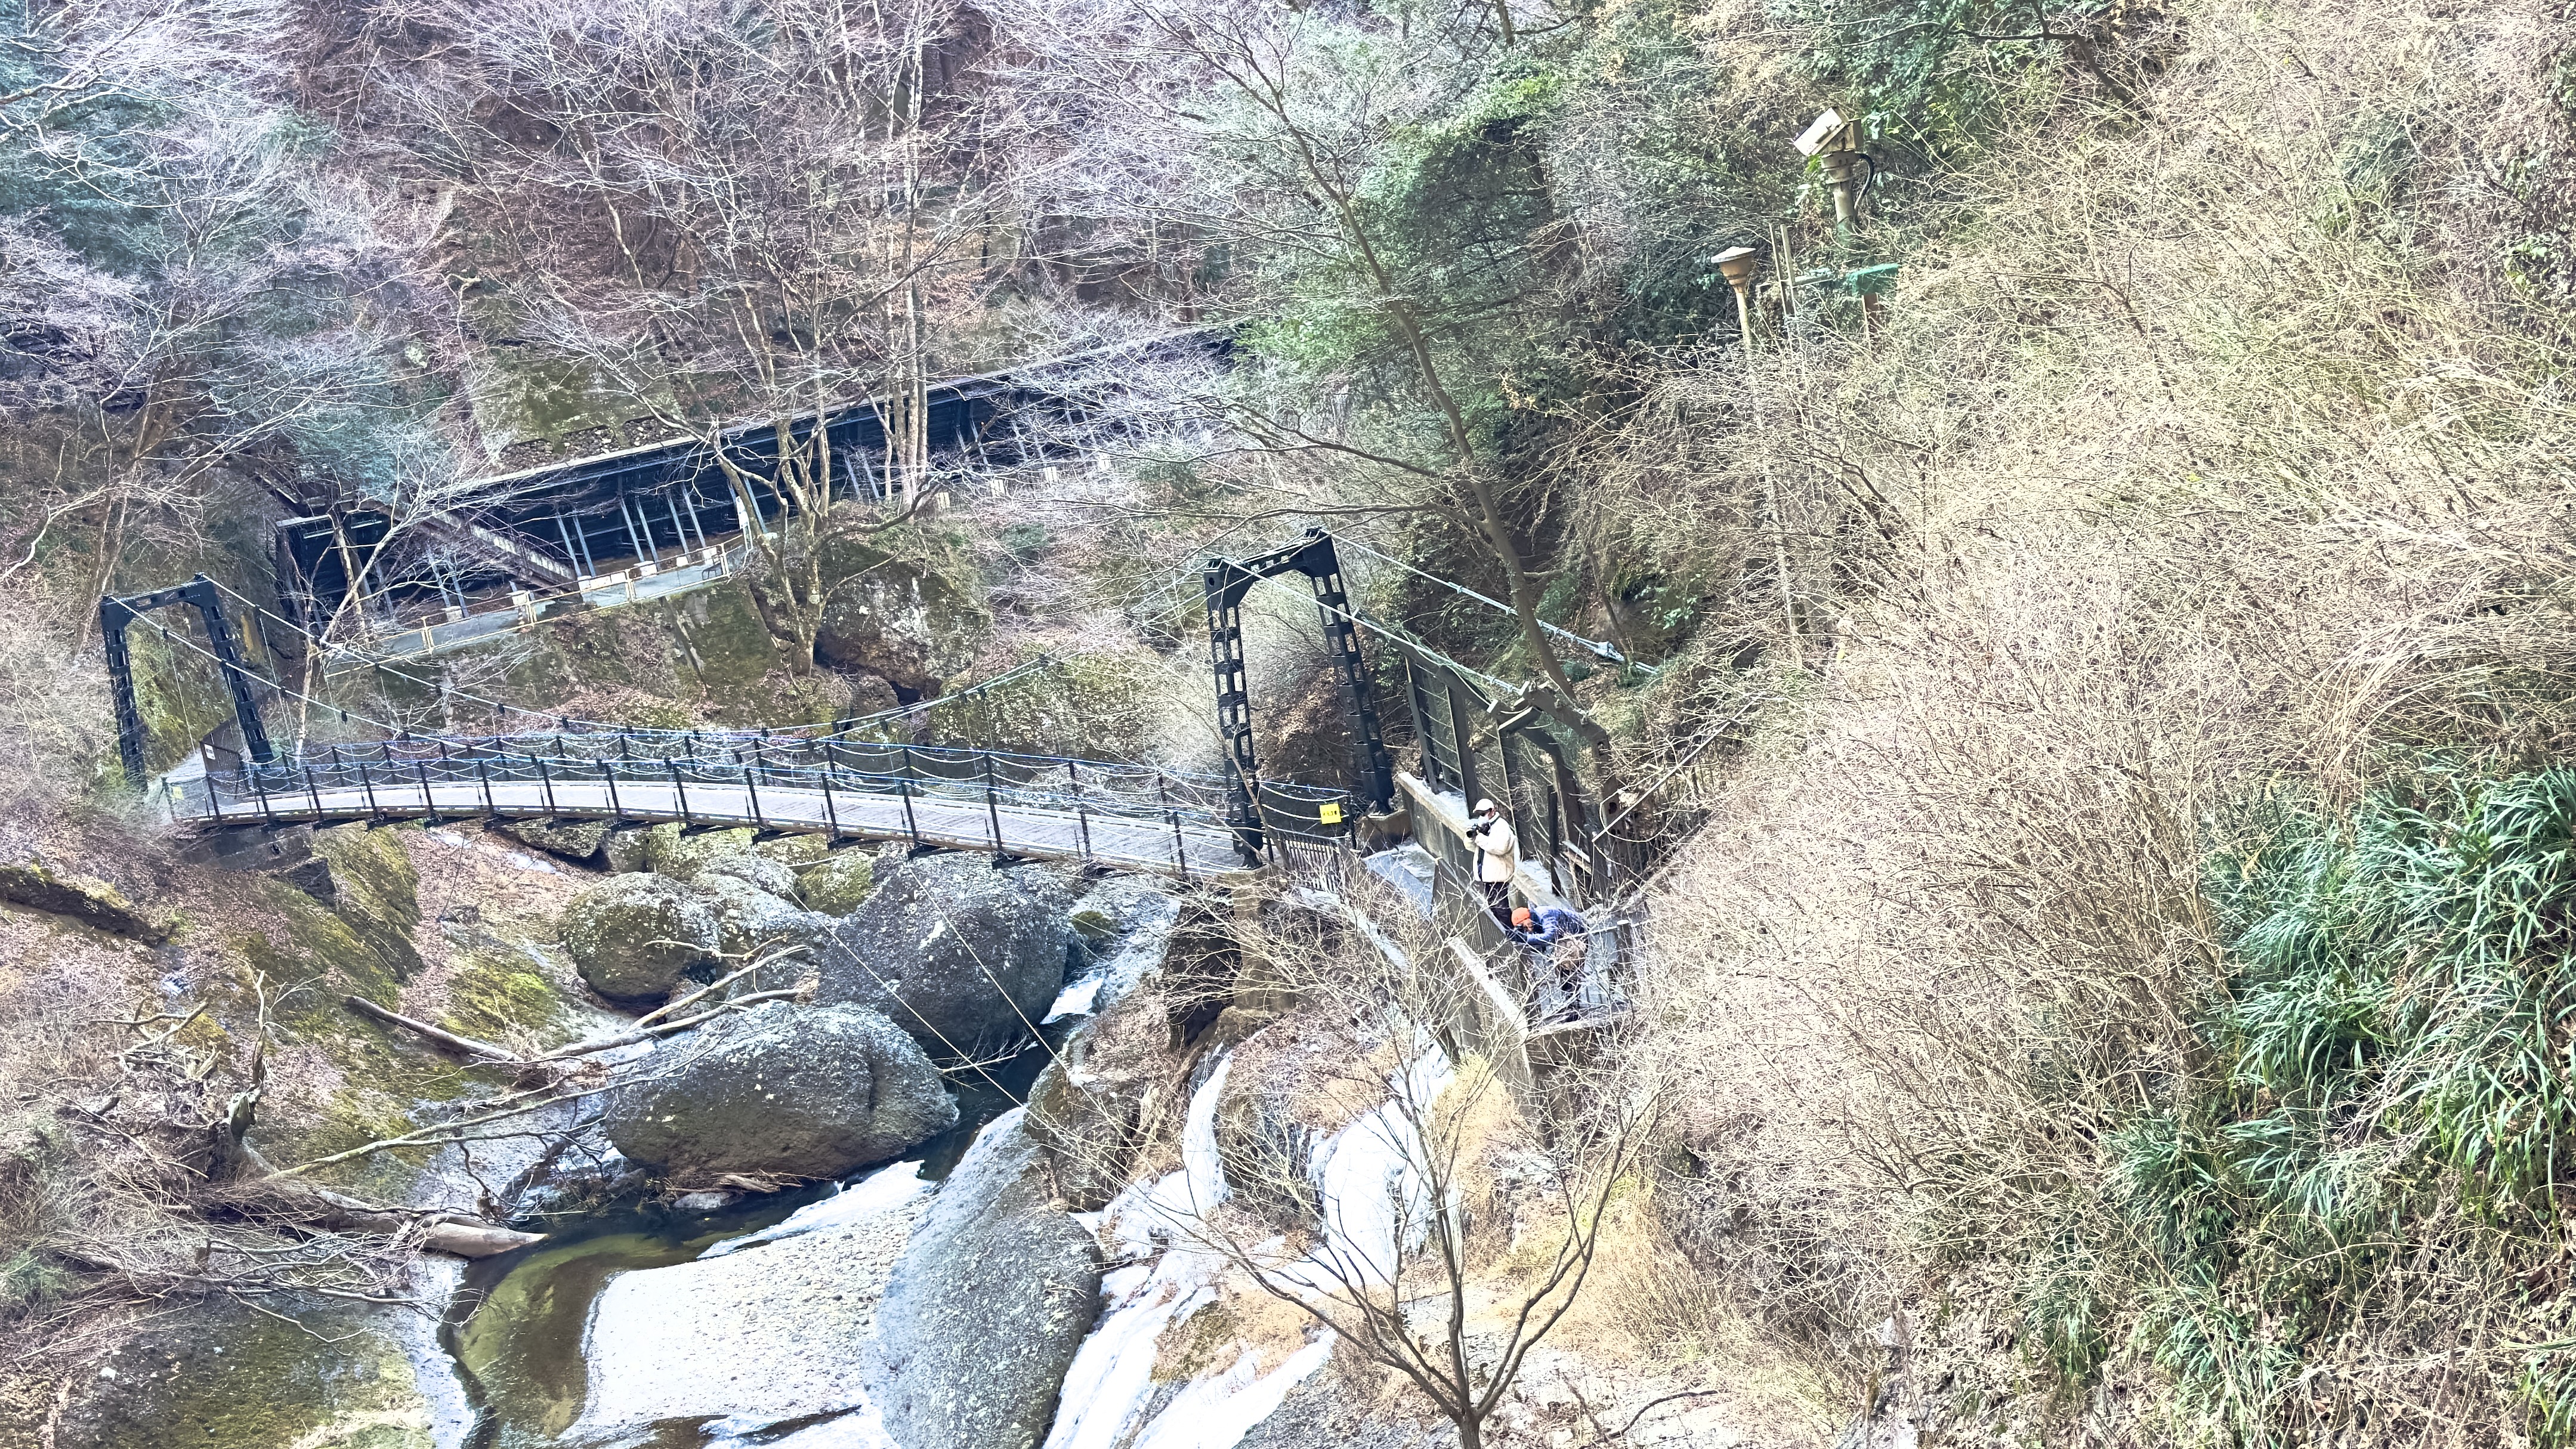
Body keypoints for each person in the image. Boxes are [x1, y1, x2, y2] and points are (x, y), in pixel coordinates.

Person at [1512, 904, 1590, 1019]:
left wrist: (1526, 939)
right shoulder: (1533, 921)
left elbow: (1549, 936)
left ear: (1528, 918)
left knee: (1571, 972)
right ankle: (1570, 1007)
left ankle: (1574, 1009)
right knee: (1562, 975)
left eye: (1526, 926)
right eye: (1524, 929)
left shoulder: (1545, 914)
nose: (1528, 930)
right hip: (1563, 938)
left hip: (1576, 935)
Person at [1466, 798, 1516, 926]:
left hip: (1499, 876)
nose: (1481, 817)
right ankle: (1506, 934)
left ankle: (1513, 936)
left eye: (1484, 813)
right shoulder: (1484, 826)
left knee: (1501, 908)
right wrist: (1471, 836)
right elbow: (1470, 847)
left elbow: (1500, 848)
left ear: (1493, 811)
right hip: (1488, 876)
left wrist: (1479, 837)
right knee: (1493, 908)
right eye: (1479, 814)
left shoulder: (1501, 826)